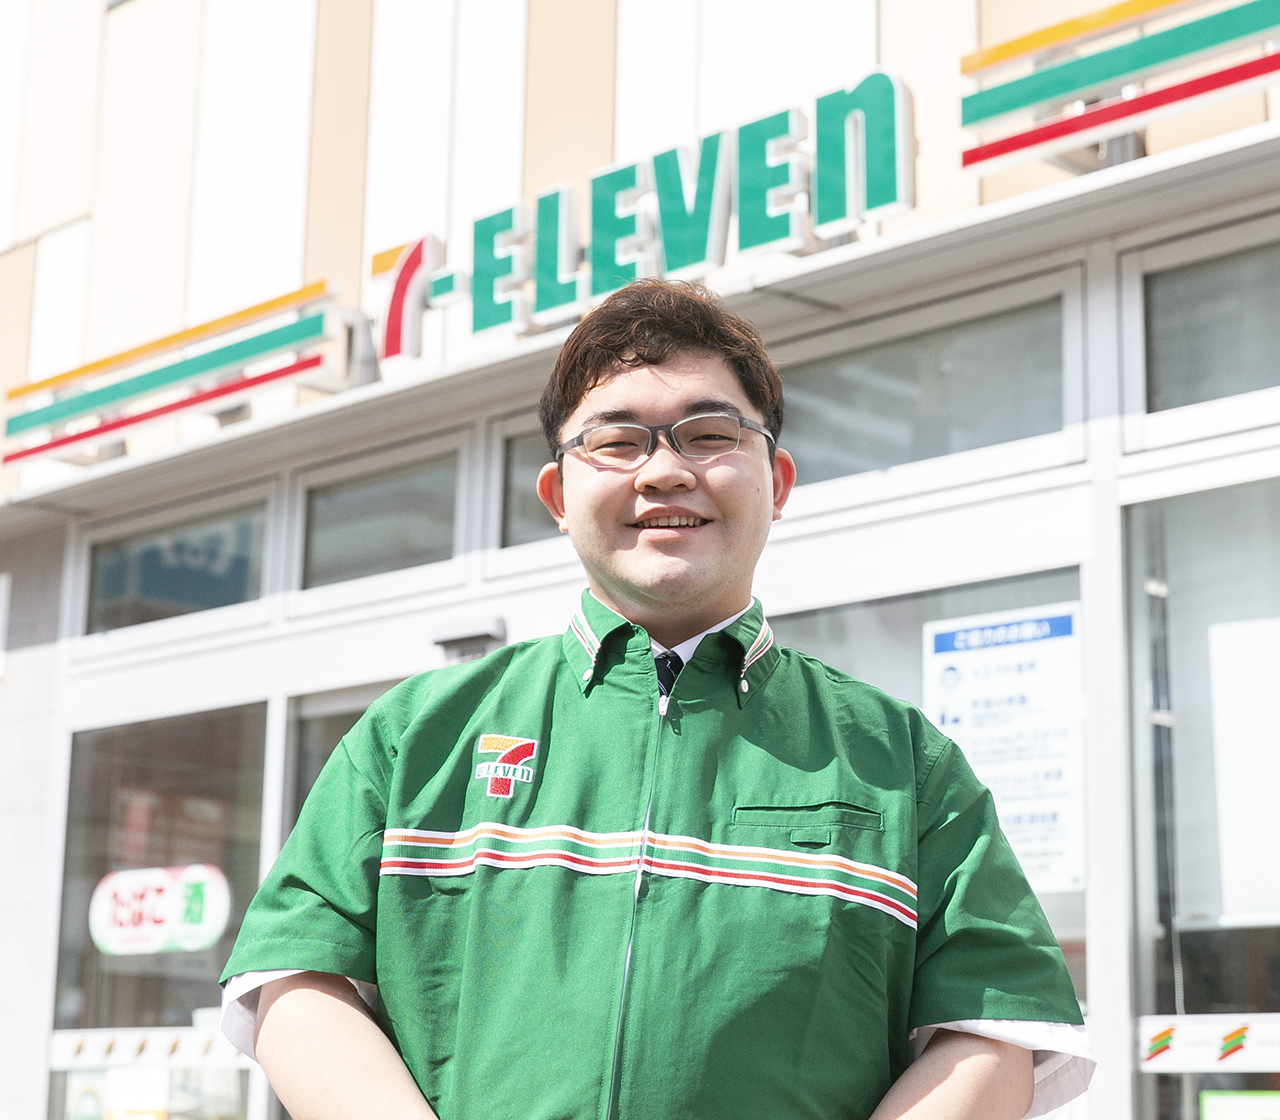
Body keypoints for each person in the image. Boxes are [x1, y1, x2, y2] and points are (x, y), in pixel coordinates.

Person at [220, 279, 1094, 1120]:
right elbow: (296, 981)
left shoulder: (902, 759)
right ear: (559, 496)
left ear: (778, 482)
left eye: (710, 434)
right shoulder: (416, 735)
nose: (665, 472)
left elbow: (993, 1031)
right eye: (617, 442)